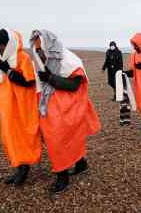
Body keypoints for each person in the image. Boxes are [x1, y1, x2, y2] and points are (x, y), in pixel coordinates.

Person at [30, 30, 101, 193]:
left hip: (70, 105)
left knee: (60, 139)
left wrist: (50, 78)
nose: (39, 53)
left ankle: (63, 176)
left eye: (41, 49)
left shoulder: (68, 59)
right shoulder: (40, 61)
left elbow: (75, 84)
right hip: (50, 105)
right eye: (37, 50)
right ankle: (81, 164)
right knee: (60, 138)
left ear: (49, 46)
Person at [0, 29, 41, 186]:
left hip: (22, 106)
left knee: (23, 135)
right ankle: (19, 166)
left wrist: (8, 70)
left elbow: (29, 81)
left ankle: (24, 168)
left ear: (8, 44)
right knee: (10, 136)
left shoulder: (22, 58)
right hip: (6, 106)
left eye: (1, 44)